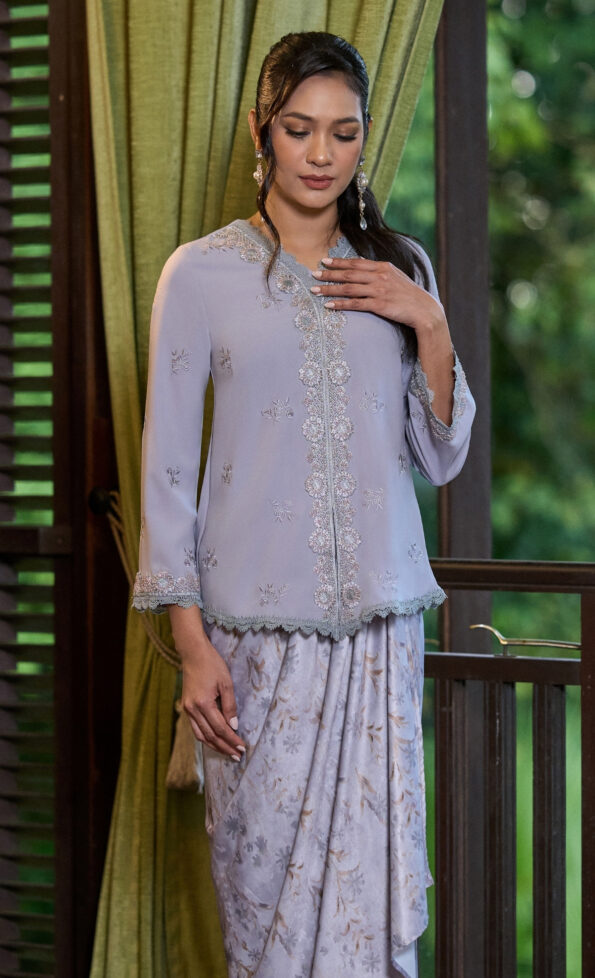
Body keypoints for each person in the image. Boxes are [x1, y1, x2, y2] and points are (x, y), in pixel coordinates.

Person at [133, 31, 475, 978]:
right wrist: (192, 646)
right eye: (298, 129)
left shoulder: (399, 269)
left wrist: (427, 319)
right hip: (252, 647)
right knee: (264, 914)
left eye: (344, 132)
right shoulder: (198, 275)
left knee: (368, 918)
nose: (321, 154)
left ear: (363, 138)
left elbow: (439, 456)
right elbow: (167, 472)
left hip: (377, 638)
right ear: (261, 131)